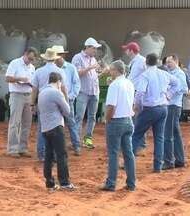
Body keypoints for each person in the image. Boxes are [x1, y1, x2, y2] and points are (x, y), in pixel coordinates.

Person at [132, 53, 180, 173]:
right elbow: (177, 83)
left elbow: (140, 93)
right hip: (163, 107)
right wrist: (168, 95)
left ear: (145, 62)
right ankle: (158, 166)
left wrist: (137, 107)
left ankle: (128, 161)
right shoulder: (163, 73)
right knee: (159, 137)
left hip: (149, 108)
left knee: (136, 135)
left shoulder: (145, 75)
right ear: (157, 62)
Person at [100, 60, 136, 192]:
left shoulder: (115, 85)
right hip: (128, 120)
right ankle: (131, 183)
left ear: (116, 70)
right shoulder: (129, 83)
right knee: (128, 153)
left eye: (111, 70)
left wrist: (107, 119)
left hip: (116, 121)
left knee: (113, 153)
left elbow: (111, 106)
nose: (110, 72)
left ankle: (111, 183)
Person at [38, 72, 75, 191]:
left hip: (45, 127)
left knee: (49, 155)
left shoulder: (42, 92)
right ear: (58, 82)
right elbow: (67, 110)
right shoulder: (56, 93)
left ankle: (50, 183)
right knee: (61, 154)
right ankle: (64, 182)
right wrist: (64, 94)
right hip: (56, 126)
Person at [31, 48, 68, 162]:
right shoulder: (60, 71)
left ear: (45, 59)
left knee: (42, 128)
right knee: (57, 127)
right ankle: (55, 155)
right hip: (56, 99)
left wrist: (32, 104)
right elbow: (63, 88)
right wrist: (66, 102)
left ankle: (42, 154)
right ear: (55, 59)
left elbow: (34, 89)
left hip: (42, 99)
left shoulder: (38, 71)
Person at [6, 47, 37, 158]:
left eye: (32, 59)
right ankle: (13, 149)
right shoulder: (15, 63)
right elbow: (8, 78)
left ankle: (23, 148)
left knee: (27, 123)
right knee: (15, 122)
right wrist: (20, 79)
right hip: (16, 94)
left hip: (28, 95)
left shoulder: (32, 67)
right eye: (29, 58)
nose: (30, 61)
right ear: (25, 54)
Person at [72, 37, 102, 149]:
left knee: (92, 117)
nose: (95, 51)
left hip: (94, 91)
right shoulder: (77, 58)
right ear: (88, 47)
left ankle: (87, 139)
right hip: (83, 92)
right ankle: (76, 141)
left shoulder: (93, 59)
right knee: (79, 116)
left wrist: (102, 72)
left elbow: (93, 76)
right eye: (94, 48)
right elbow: (76, 74)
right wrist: (90, 67)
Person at [51, 45, 81, 156]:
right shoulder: (53, 68)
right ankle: (58, 147)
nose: (56, 57)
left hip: (67, 99)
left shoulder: (71, 68)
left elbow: (76, 83)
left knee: (71, 122)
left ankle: (76, 145)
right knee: (57, 124)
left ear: (62, 55)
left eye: (58, 55)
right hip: (55, 100)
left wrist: (72, 96)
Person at [163, 55, 188, 170]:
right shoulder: (170, 73)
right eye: (167, 62)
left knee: (168, 134)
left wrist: (170, 92)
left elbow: (184, 88)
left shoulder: (179, 74)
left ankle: (169, 161)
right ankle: (180, 159)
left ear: (176, 61)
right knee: (175, 133)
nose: (168, 64)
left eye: (170, 62)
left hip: (173, 105)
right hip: (171, 105)